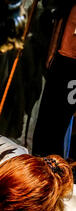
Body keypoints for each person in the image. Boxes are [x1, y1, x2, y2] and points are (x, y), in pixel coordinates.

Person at [32, 1, 76, 158]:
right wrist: (52, 51)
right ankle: (44, 163)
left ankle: (53, 164)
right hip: (64, 57)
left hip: (71, 59)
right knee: (49, 119)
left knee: (59, 121)